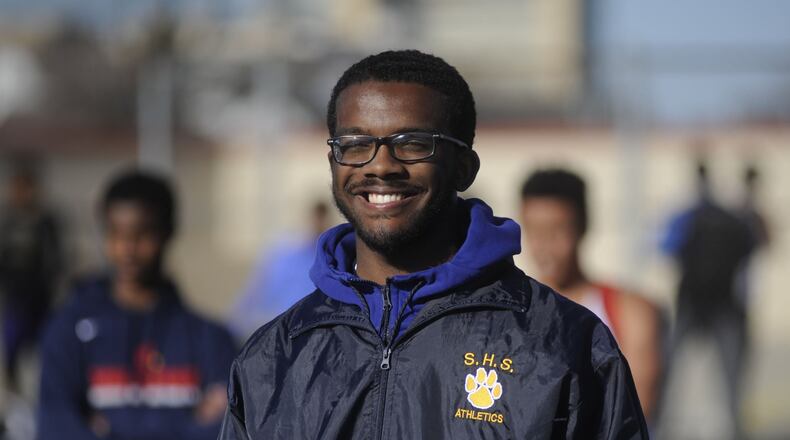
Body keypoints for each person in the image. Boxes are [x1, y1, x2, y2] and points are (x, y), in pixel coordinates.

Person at [219, 50, 648, 439]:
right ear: (333, 163)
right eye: (356, 144)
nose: (381, 165)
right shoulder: (272, 357)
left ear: (464, 167)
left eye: (413, 144)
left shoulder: (563, 344)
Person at [37, 170, 236, 440]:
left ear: (168, 233)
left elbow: (226, 429)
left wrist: (106, 429)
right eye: (116, 233)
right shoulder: (68, 332)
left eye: (142, 234)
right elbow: (56, 425)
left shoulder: (210, 339)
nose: (127, 248)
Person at [519, 168, 662, 421]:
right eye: (534, 231)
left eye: (557, 230)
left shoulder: (629, 311)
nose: (545, 246)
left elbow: (637, 410)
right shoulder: (515, 312)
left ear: (583, 226)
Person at [660, 160, 755, 438]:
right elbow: (750, 252)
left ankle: (658, 426)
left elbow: (667, 248)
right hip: (728, 303)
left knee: (670, 369)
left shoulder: (686, 215)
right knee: (732, 377)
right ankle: (736, 429)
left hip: (691, 301)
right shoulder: (736, 218)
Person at [227, 201, 331, 340]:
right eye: (317, 217)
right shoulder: (284, 254)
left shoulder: (330, 259)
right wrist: (232, 328)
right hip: (283, 333)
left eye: (322, 218)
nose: (318, 223)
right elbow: (254, 293)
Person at [0, 162, 63, 390]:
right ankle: (14, 393)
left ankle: (44, 391)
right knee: (12, 349)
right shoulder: (7, 222)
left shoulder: (46, 223)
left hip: (40, 299)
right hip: (15, 300)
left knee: (45, 349)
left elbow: (56, 260)